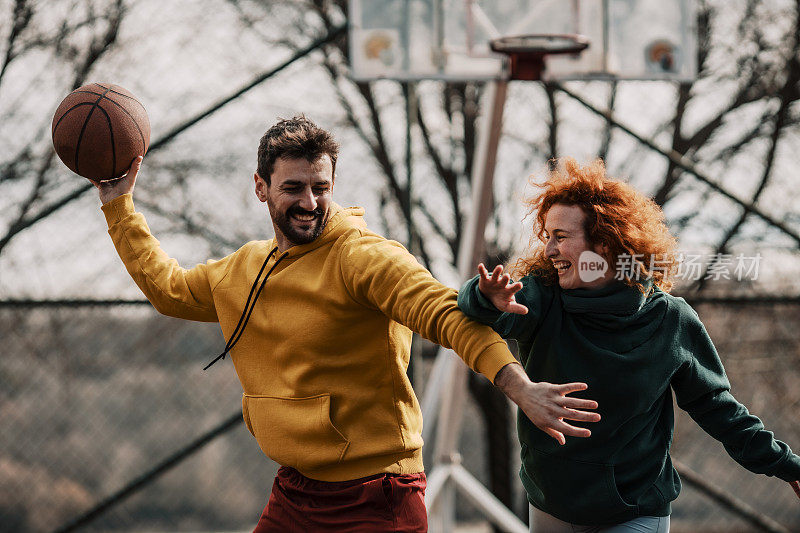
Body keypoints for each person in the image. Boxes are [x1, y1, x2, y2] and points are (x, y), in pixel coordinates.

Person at [90, 116, 601, 533]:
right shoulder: (242, 270)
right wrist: (118, 205)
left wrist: (520, 387)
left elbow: (448, 315)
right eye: (293, 188)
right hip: (296, 491)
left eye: (321, 187)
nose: (310, 203)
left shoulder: (363, 258)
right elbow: (171, 290)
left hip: (377, 496)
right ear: (261, 188)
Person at [457, 158, 800, 533]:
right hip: (551, 502)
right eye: (548, 235)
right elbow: (487, 314)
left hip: (634, 510)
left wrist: (784, 464)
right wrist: (485, 297)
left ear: (603, 243)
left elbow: (717, 408)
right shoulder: (542, 296)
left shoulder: (669, 319)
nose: (549, 248)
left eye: (561, 236)